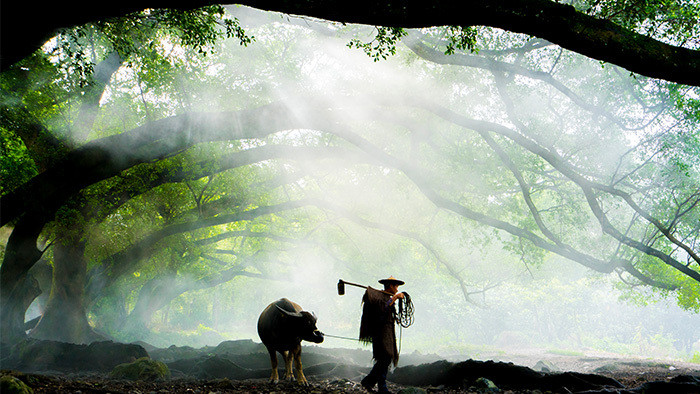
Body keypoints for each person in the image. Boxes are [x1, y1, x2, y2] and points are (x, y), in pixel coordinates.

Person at [359, 276, 407, 393]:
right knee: (384, 359)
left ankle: (378, 386)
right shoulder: (380, 298)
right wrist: (395, 298)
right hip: (380, 334)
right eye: (395, 286)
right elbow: (382, 310)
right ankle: (374, 383)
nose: (397, 289)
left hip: (387, 333)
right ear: (390, 286)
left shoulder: (385, 297)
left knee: (385, 360)